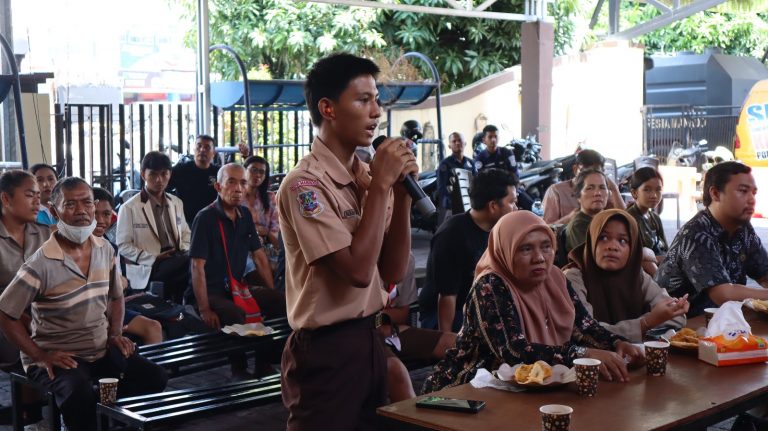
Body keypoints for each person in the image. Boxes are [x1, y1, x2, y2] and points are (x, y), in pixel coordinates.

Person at [278, 53, 416, 430]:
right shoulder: (305, 185)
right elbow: (356, 270)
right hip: (326, 350)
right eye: (363, 100)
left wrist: (401, 195)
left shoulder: (367, 178)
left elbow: (390, 270)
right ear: (328, 108)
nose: (376, 112)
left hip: (369, 337)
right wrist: (383, 187)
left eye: (377, 99)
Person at [0, 177, 167, 431]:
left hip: (99, 349)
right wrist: (39, 355)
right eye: (70, 205)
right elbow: (5, 313)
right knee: (78, 395)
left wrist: (115, 333)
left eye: (87, 203)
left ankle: (103, 411)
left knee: (155, 378)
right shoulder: (40, 263)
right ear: (55, 212)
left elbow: (116, 296)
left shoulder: (104, 250)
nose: (81, 211)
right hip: (61, 358)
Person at [422, 211, 643, 392]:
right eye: (526, 248)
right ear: (505, 249)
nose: (539, 257)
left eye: (546, 246)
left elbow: (583, 326)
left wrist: (616, 343)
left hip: (533, 387)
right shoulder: (490, 286)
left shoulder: (555, 277)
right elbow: (514, 351)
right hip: (469, 389)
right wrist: (582, 354)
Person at [189, 163, 282, 376]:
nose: (238, 189)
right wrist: (204, 309)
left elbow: (259, 256)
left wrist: (270, 290)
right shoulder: (206, 217)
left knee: (278, 301)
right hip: (212, 291)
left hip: (238, 287)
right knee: (235, 312)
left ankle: (264, 362)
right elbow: (197, 267)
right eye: (231, 182)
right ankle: (238, 367)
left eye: (242, 183)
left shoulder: (244, 215)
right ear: (218, 187)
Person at [656, 162, 768, 317]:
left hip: (718, 321)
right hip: (677, 327)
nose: (751, 199)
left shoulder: (743, 229)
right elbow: (722, 293)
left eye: (753, 193)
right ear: (715, 193)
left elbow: (764, 273)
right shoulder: (696, 233)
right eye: (743, 191)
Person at [563, 209, 687, 343]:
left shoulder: (635, 275)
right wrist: (647, 322)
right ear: (591, 240)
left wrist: (657, 318)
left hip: (635, 357)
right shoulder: (573, 277)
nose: (612, 246)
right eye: (603, 238)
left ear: (632, 248)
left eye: (622, 240)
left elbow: (677, 316)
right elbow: (588, 332)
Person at [419, 168, 518, 332]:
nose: (516, 207)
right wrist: (448, 344)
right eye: (511, 202)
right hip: (444, 314)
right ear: (493, 206)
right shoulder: (452, 235)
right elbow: (447, 297)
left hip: (478, 308)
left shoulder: (497, 229)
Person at [0, 170, 51, 426]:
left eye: (39, 196)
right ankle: (30, 414)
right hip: (4, 319)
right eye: (30, 195)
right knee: (29, 341)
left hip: (39, 314)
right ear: (6, 200)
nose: (37, 203)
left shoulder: (44, 234)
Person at [380, 252, 456, 401]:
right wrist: (378, 321)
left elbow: (402, 313)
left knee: (456, 343)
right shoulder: (359, 258)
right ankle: (413, 420)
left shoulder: (404, 256)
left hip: (394, 331)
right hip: (365, 334)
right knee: (395, 370)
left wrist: (379, 318)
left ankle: (458, 402)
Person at [116, 151, 191, 302]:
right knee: (194, 262)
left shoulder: (176, 202)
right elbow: (123, 245)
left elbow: (185, 233)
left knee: (194, 261)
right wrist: (153, 259)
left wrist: (183, 249)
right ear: (143, 174)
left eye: (164, 174)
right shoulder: (130, 207)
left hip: (178, 257)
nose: (159, 180)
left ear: (170, 174)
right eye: (153, 174)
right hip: (150, 266)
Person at [93, 187, 163, 345]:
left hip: (110, 306)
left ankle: (150, 369)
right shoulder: (76, 246)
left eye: (106, 214)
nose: (100, 220)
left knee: (153, 326)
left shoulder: (109, 246)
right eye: (94, 213)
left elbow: (120, 285)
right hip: (90, 311)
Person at [542, 149, 625, 225]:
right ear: (575, 169)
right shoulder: (556, 191)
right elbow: (546, 228)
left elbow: (625, 220)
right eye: (585, 172)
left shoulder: (602, 190)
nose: (590, 176)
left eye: (596, 172)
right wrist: (569, 219)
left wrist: (614, 189)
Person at [168, 134, 220, 224]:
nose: (202, 150)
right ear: (194, 149)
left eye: (207, 147)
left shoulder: (218, 172)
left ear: (213, 153)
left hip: (211, 221)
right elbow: (164, 187)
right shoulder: (181, 169)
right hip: (184, 222)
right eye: (199, 146)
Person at [626, 167, 669, 262]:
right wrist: (662, 259)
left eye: (658, 190)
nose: (654, 195)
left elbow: (666, 248)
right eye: (647, 190)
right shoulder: (628, 219)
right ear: (634, 193)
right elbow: (632, 257)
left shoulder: (655, 218)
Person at [565, 168, 608, 253]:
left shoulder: (607, 219)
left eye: (602, 187)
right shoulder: (578, 226)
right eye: (590, 188)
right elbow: (590, 258)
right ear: (578, 196)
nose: (598, 193)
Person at [436, 132, 476, 219]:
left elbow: (476, 183)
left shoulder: (471, 163)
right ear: (449, 146)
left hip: (469, 204)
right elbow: (441, 188)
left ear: (465, 143)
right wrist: (449, 204)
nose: (457, 143)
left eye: (460, 140)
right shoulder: (445, 164)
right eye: (454, 141)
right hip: (451, 206)